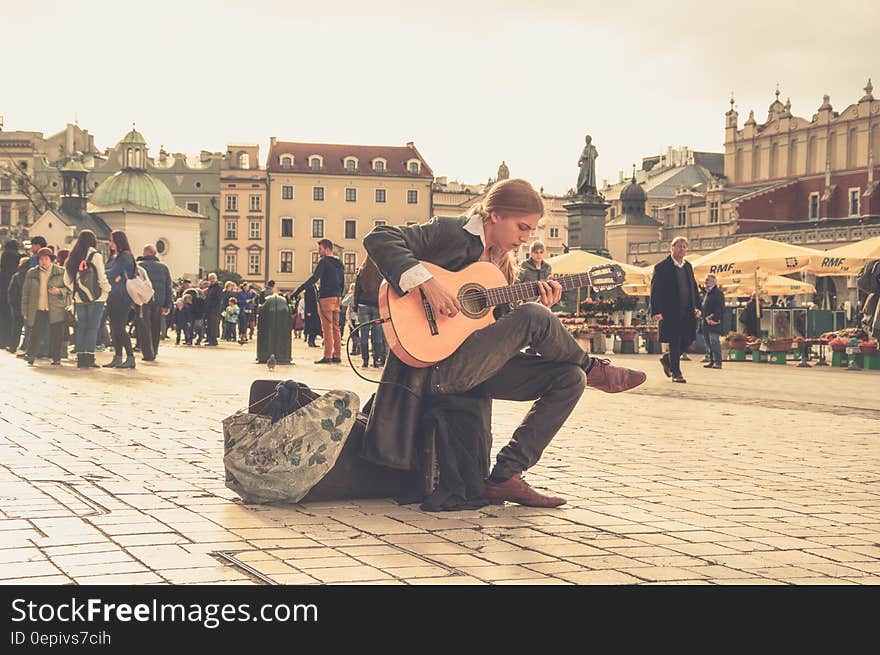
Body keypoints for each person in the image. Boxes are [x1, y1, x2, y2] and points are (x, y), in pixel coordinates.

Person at [363, 178, 646, 508]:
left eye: (531, 231)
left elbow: (494, 330)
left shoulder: (502, 266)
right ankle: (597, 369)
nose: (526, 238)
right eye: (522, 227)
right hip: (435, 369)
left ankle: (507, 475)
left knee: (570, 378)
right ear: (495, 215)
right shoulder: (450, 232)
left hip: (473, 367)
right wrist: (428, 285)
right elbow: (379, 238)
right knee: (533, 316)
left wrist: (542, 308)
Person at [650, 236, 701, 383]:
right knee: (675, 340)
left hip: (687, 310)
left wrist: (697, 306)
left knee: (689, 338)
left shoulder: (687, 266)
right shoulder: (662, 267)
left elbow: (693, 288)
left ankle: (667, 359)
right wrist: (656, 311)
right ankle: (676, 373)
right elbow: (655, 290)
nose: (682, 249)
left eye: (684, 247)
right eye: (679, 246)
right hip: (670, 311)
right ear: (672, 248)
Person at [63, 230, 111, 369]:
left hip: (79, 298)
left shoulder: (73, 256)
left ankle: (80, 359)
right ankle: (89, 358)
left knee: (81, 327)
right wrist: (107, 290)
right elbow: (101, 277)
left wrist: (77, 289)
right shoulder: (95, 256)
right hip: (97, 298)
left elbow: (66, 280)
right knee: (92, 328)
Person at [293, 238, 345, 364]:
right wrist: (339, 295)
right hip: (337, 297)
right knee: (336, 327)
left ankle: (327, 356)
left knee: (327, 328)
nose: (318, 252)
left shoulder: (324, 262)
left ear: (327, 249)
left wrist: (298, 291)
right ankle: (337, 355)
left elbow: (314, 278)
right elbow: (342, 282)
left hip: (326, 297)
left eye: (320, 249)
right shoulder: (339, 263)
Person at [21, 247, 70, 365]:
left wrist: (59, 291)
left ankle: (56, 358)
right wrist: (24, 310)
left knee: (56, 334)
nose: (43, 261)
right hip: (38, 308)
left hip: (56, 308)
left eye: (46, 259)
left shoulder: (61, 272)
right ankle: (31, 355)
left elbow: (69, 290)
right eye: (41, 259)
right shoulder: (32, 273)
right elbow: (25, 293)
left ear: (51, 259)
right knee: (35, 333)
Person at [104, 230, 137, 369]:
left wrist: (108, 275)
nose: (110, 243)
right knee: (113, 327)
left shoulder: (125, 256)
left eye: (112, 240)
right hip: (112, 295)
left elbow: (112, 273)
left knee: (119, 327)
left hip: (123, 297)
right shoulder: (114, 257)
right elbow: (111, 273)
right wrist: (111, 276)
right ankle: (117, 357)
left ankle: (130, 357)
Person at [137, 244, 173, 361]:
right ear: (155, 253)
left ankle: (148, 353)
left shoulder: (139, 266)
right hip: (159, 300)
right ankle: (155, 350)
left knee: (145, 326)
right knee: (156, 326)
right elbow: (168, 287)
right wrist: (168, 304)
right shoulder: (164, 267)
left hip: (144, 300)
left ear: (145, 253)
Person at [353, 257, 387, 368]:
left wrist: (355, 305)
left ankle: (365, 360)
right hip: (377, 306)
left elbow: (357, 290)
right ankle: (376, 360)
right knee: (377, 332)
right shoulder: (381, 272)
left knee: (364, 333)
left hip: (363, 306)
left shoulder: (361, 271)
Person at [6, 256, 31, 353]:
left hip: (17, 305)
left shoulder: (17, 275)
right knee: (29, 328)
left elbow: (11, 291)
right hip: (28, 305)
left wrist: (12, 303)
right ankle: (26, 347)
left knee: (16, 327)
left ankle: (13, 346)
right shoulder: (32, 275)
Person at [0, 239, 21, 350]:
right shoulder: (18, 257)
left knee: (2, 317)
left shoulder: (4, 256)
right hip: (14, 291)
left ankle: (2, 340)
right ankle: (9, 340)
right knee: (12, 318)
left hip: (2, 289)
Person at [701, 274, 725, 369]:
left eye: (707, 280)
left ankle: (718, 362)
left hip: (714, 322)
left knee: (714, 341)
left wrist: (714, 318)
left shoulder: (717, 293)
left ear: (713, 282)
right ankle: (711, 361)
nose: (705, 282)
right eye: (706, 280)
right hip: (705, 321)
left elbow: (720, 308)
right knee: (708, 343)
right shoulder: (707, 293)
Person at [204, 272, 223, 346]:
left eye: (213, 278)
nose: (211, 280)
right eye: (210, 279)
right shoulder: (210, 287)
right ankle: (209, 339)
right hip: (209, 309)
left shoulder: (218, 287)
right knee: (209, 325)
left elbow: (218, 299)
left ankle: (213, 341)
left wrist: (212, 305)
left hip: (214, 309)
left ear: (216, 279)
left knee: (213, 325)